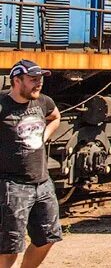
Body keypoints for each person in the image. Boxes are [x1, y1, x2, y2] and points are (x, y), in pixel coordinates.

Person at [0, 60, 62, 268]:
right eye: (33, 79)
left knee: (48, 238)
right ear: (17, 81)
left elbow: (55, 117)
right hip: (12, 185)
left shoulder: (43, 102)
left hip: (42, 183)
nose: (39, 83)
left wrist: (43, 136)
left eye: (40, 79)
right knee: (9, 248)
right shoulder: (2, 105)